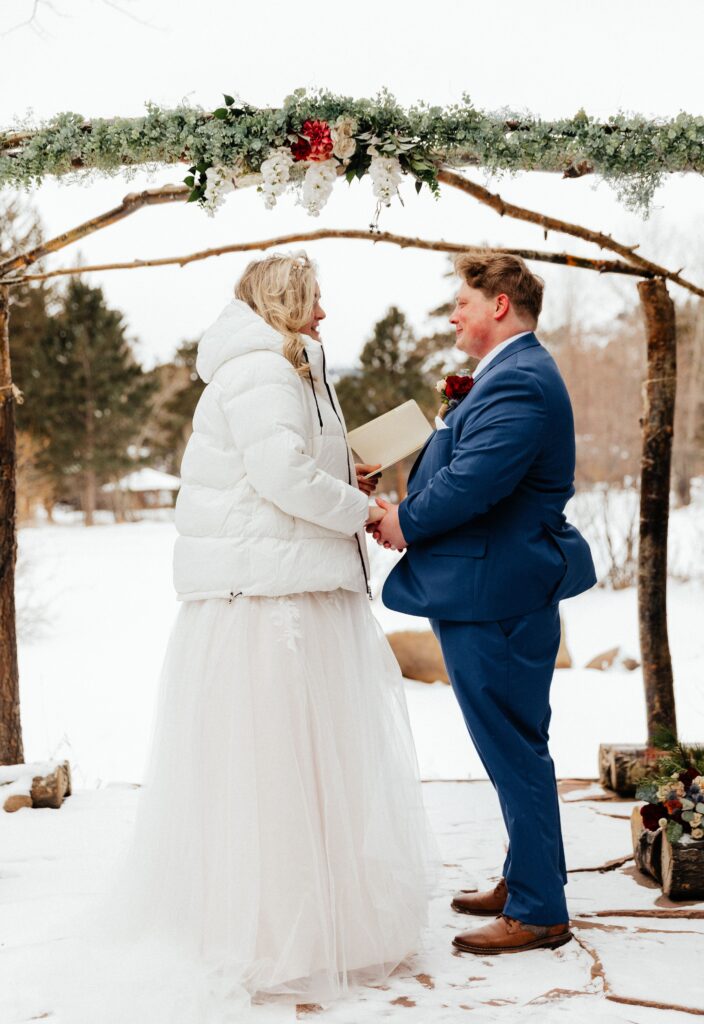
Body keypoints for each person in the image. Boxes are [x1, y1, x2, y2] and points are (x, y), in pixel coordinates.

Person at [14, 253, 434, 1024]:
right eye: (314, 299)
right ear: (283, 303)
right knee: (271, 774)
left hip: (293, 585)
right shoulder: (260, 374)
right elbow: (280, 478)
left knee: (308, 771)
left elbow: (290, 467)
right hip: (268, 602)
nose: (324, 314)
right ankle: (273, 940)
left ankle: (315, 928)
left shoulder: (288, 370)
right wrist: (358, 511)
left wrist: (352, 472)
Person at [369, 251, 597, 956]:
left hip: (496, 591)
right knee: (515, 744)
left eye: (461, 303)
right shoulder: (507, 375)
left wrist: (404, 520)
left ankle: (538, 910)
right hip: (492, 585)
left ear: (499, 304)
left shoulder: (521, 380)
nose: (452, 315)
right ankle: (529, 876)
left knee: (513, 749)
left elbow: (474, 483)